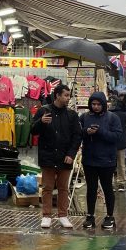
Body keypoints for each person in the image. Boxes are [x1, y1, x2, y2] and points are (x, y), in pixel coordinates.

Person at [30, 83, 82, 230]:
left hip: (65, 157)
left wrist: (71, 154)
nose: (68, 98)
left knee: (63, 188)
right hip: (47, 156)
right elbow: (32, 130)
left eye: (69, 95)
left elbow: (77, 136)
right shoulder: (43, 111)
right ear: (57, 95)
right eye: (66, 95)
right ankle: (46, 215)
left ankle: (63, 215)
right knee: (47, 187)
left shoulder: (72, 115)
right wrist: (41, 122)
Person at [80, 92, 125, 229]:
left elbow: (117, 136)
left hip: (107, 159)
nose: (96, 107)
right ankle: (90, 215)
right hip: (89, 159)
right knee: (91, 189)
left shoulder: (112, 117)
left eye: (99, 104)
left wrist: (100, 132)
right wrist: (86, 132)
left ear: (103, 104)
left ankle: (110, 216)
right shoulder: (84, 117)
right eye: (93, 104)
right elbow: (77, 133)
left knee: (107, 188)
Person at [111, 94, 126, 190]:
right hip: (122, 142)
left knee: (110, 163)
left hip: (110, 141)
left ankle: (110, 183)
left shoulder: (109, 114)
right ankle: (121, 182)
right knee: (121, 163)